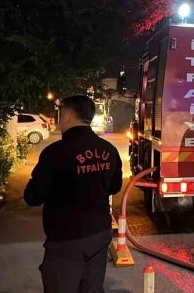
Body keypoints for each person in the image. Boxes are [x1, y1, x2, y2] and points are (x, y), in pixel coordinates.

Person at [24, 95, 123, 292]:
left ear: (68, 116)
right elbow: (114, 188)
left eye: (60, 115)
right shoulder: (109, 150)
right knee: (92, 288)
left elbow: (33, 197)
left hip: (66, 238)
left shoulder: (55, 153)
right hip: (99, 234)